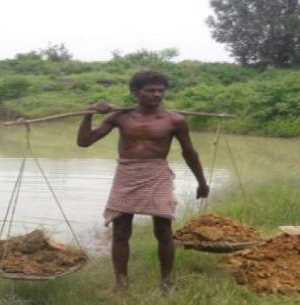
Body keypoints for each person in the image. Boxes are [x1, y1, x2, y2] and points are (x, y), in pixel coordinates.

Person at [77, 70, 209, 292]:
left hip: (157, 173)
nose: (156, 94)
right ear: (135, 92)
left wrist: (202, 182)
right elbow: (84, 142)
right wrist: (89, 113)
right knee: (120, 232)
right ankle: (121, 283)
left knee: (163, 231)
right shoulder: (120, 117)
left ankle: (167, 283)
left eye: (160, 90)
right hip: (126, 174)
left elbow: (189, 152)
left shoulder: (174, 120)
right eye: (150, 90)